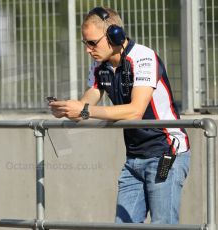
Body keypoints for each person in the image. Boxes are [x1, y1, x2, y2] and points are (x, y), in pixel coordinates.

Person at [49, 6, 190, 224]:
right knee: (122, 226)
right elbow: (88, 102)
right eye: (85, 43)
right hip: (134, 158)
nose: (88, 49)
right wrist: (68, 109)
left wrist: (84, 110)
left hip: (166, 153)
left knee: (163, 225)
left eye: (92, 42)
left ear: (115, 35)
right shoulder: (99, 65)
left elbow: (135, 111)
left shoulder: (144, 57)